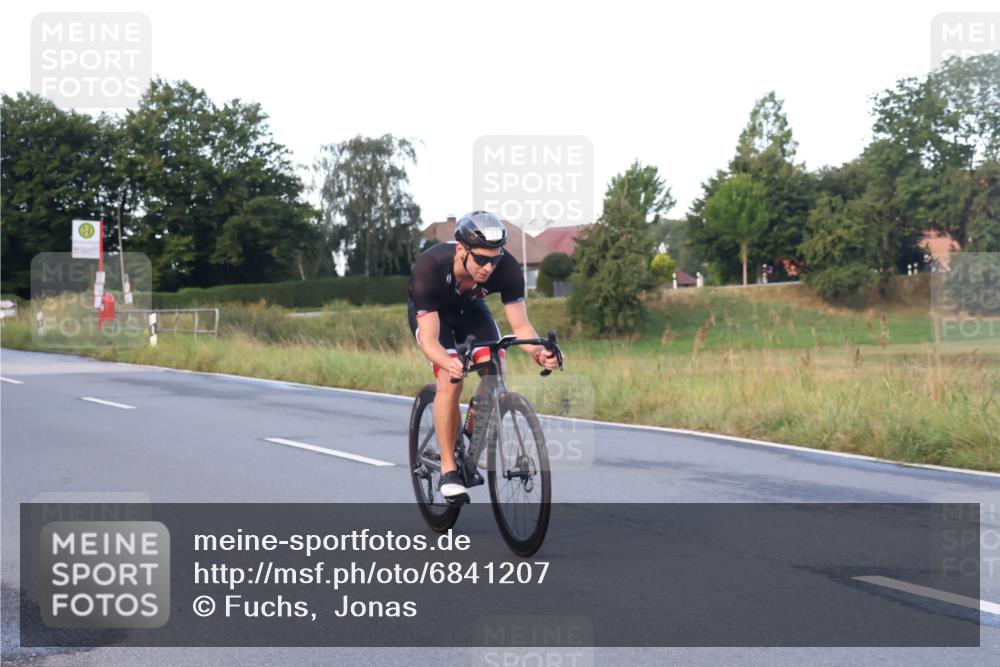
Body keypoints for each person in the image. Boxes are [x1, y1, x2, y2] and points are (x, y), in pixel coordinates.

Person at [407, 211, 560, 503]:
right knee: (450, 379)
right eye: (481, 259)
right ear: (461, 249)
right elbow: (428, 339)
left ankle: (473, 427)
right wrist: (447, 361)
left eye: (495, 258)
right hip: (434, 316)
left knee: (496, 364)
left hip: (470, 311)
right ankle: (449, 470)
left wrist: (539, 354)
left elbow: (520, 327)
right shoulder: (430, 267)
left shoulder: (507, 269)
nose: (488, 267)